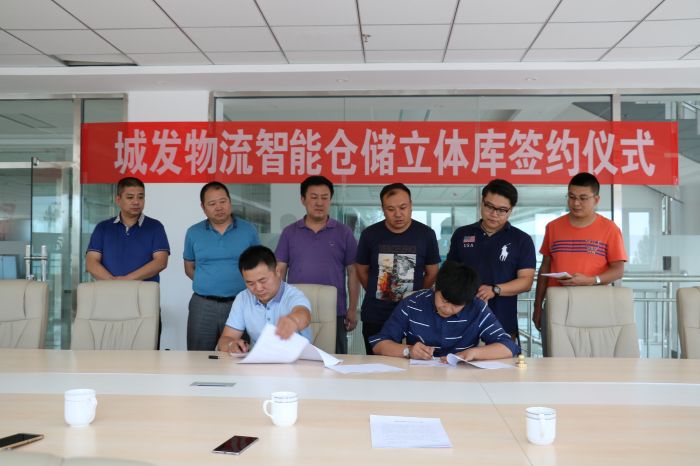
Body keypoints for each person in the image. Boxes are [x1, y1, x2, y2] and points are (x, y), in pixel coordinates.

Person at [533, 172, 628, 343]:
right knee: (554, 355)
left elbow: (618, 270)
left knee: (593, 355)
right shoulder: (553, 227)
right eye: (571, 197)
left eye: (583, 198)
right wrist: (537, 305)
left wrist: (591, 280)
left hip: (594, 304)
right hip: (557, 303)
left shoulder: (610, 229)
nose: (576, 203)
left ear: (596, 200)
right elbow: (545, 267)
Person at [275, 175, 359, 354]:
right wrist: (277, 306)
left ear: (330, 200)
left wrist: (352, 309)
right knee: (295, 360)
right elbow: (279, 270)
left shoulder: (344, 233)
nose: (319, 203)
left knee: (335, 360)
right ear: (303, 200)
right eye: (314, 197)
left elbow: (353, 272)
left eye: (324, 197)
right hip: (295, 310)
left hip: (334, 311)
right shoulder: (289, 233)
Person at [370, 260, 519, 360]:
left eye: (456, 305)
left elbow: (508, 347)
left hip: (463, 381)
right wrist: (408, 351)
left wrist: (473, 353)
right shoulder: (412, 303)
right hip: (419, 379)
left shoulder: (477, 308)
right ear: (436, 287)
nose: (447, 309)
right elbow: (379, 344)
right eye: (444, 300)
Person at [355, 183, 441, 355]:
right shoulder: (370, 234)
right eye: (391, 209)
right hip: (376, 313)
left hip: (415, 313)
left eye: (403, 207)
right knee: (376, 363)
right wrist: (376, 290)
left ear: (411, 205)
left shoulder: (426, 234)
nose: (398, 214)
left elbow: (432, 272)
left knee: (415, 361)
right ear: (383, 209)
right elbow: (361, 270)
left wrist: (416, 296)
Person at [447, 179, 536, 341]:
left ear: (510, 210)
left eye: (502, 210)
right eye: (489, 207)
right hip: (461, 318)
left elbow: (526, 281)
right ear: (482, 203)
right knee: (458, 357)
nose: (494, 214)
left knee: (503, 357)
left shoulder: (521, 240)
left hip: (502, 320)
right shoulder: (462, 235)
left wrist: (495, 290)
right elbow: (450, 273)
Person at [184, 181, 260, 351]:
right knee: (198, 356)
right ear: (203, 207)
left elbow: (257, 266)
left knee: (237, 354)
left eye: (223, 201)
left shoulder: (248, 230)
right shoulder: (193, 232)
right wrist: (207, 283)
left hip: (240, 303)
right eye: (212, 204)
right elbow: (189, 267)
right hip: (203, 304)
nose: (219, 207)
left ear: (230, 202)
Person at [217, 245, 312, 353]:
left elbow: (304, 315)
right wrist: (231, 345)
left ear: (277, 271)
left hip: (297, 360)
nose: (258, 288)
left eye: (263, 281)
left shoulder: (293, 295)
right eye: (250, 283)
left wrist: (293, 320)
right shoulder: (243, 298)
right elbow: (225, 339)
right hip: (258, 361)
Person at [86, 176, 169, 282]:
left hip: (144, 290)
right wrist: (113, 282)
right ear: (118, 200)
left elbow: (161, 262)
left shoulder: (155, 227)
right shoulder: (103, 228)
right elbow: (91, 262)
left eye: (140, 197)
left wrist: (127, 280)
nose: (136, 202)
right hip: (109, 288)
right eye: (130, 197)